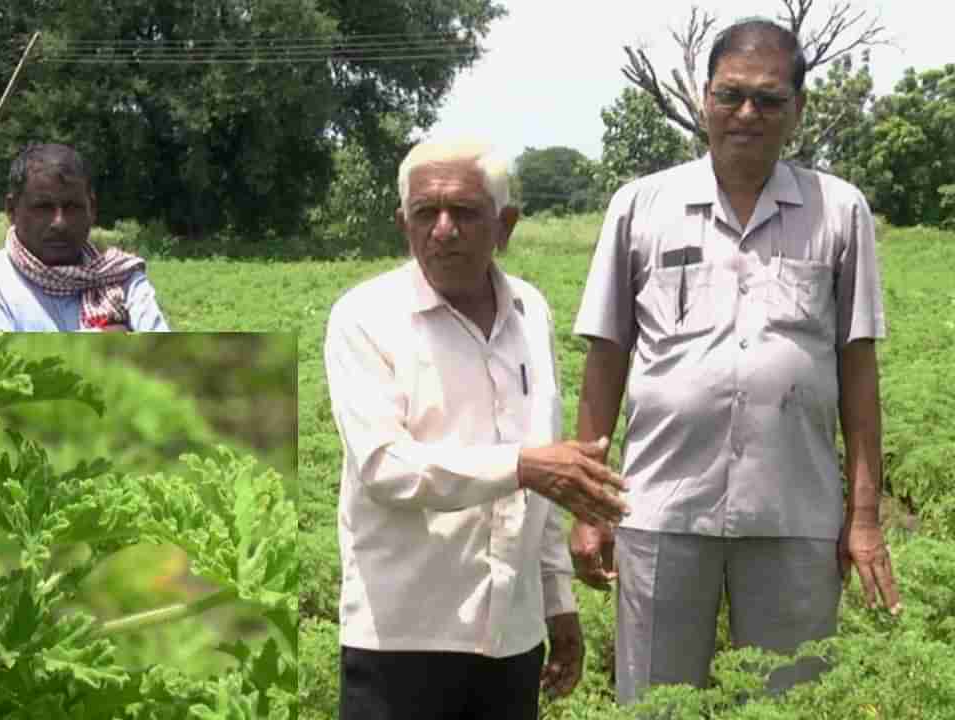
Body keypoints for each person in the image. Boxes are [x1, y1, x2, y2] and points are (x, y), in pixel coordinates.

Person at [569, 17, 900, 705]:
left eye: (769, 99)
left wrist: (863, 515)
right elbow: (605, 358)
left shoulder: (840, 211)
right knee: (655, 705)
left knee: (786, 703)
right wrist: (589, 505)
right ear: (704, 98)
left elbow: (858, 371)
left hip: (795, 511)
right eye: (731, 94)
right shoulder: (641, 206)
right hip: (660, 505)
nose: (747, 113)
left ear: (798, 110)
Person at [325, 139, 629, 720]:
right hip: (402, 636)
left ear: (505, 224)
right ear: (402, 224)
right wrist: (522, 465)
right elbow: (385, 468)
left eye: (465, 212)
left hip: (511, 637)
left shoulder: (530, 312)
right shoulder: (363, 318)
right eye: (425, 213)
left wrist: (557, 601)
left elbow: (549, 476)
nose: (444, 230)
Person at [0, 143, 169, 332]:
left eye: (72, 207)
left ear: (92, 209)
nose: (59, 223)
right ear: (12, 209)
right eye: (43, 207)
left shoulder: (121, 278)